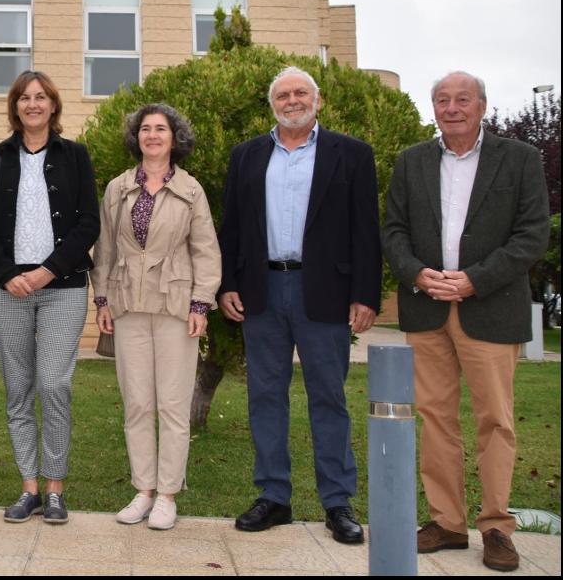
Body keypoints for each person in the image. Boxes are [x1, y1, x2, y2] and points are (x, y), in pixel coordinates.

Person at [383, 71, 550, 572]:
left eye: (462, 100)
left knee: (494, 420)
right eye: (442, 100)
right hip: (427, 307)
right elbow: (393, 231)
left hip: (490, 307)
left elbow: (531, 234)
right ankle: (447, 523)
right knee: (435, 417)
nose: (451, 107)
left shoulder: (519, 159)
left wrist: (474, 279)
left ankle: (497, 526)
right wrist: (416, 274)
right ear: (433, 107)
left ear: (482, 106)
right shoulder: (411, 161)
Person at [217, 66, 380, 544]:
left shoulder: (351, 155)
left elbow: (366, 230)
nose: (292, 100)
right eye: (283, 94)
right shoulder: (247, 156)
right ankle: (274, 495)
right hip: (262, 290)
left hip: (323, 290)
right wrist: (228, 283)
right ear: (273, 104)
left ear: (318, 100)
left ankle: (337, 501)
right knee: (265, 395)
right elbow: (232, 227)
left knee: (327, 396)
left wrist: (365, 294)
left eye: (300, 92)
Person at [0, 71, 99, 525]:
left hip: (61, 286)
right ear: (15, 106)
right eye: (24, 97)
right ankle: (29, 488)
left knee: (54, 384)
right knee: (18, 390)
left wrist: (47, 271)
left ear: (53, 105)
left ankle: (56, 488)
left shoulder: (75, 156)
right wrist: (8, 274)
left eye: (40, 96)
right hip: (7, 289)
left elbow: (89, 222)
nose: (32, 104)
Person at [90, 103, 219, 530]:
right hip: (128, 306)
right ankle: (143, 490)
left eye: (160, 129)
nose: (152, 135)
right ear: (136, 138)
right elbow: (105, 249)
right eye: (145, 129)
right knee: (138, 403)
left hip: (175, 307)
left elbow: (205, 250)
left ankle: (167, 494)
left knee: (174, 404)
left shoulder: (191, 190)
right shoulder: (118, 189)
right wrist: (103, 300)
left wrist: (201, 303)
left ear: (174, 137)